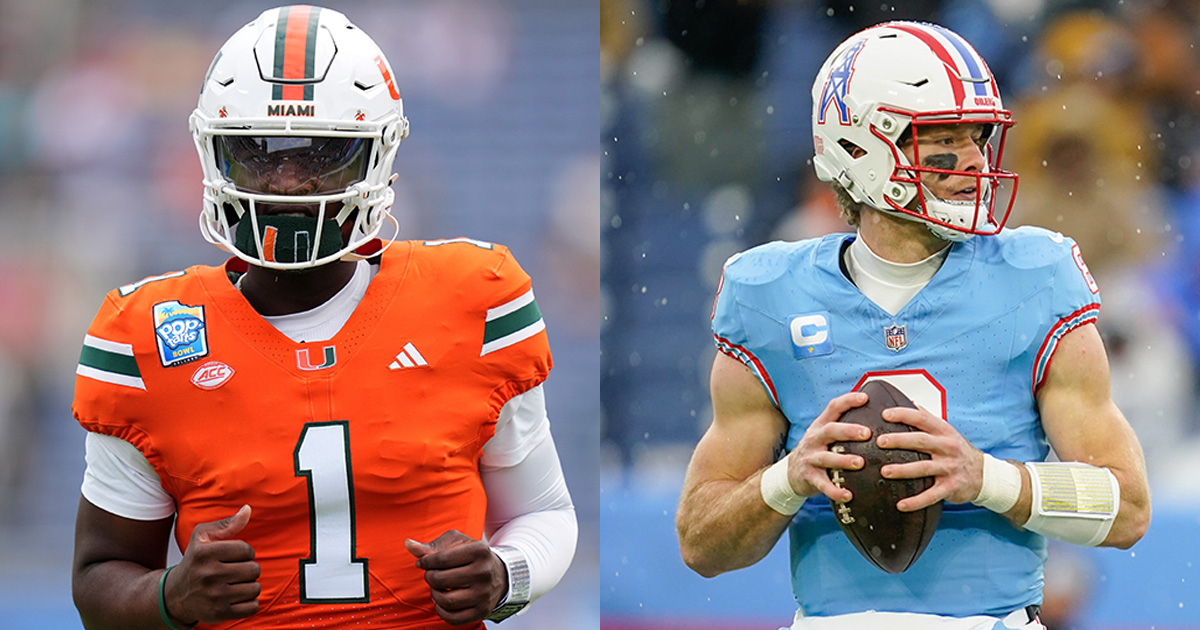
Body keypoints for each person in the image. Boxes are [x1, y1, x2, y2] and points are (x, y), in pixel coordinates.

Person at [71, 6, 576, 629]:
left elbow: (546, 513)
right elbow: (100, 577)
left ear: (378, 156)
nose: (287, 182)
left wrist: (505, 574)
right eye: (259, 154)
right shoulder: (148, 335)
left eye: (321, 156)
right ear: (213, 154)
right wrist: (171, 596)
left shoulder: (473, 298)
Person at [676, 20, 1150, 629]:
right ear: (863, 150)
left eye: (978, 139)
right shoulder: (771, 294)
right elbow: (700, 544)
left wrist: (988, 479)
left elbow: (1128, 508)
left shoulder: (1035, 276)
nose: (974, 162)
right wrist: (786, 480)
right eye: (944, 141)